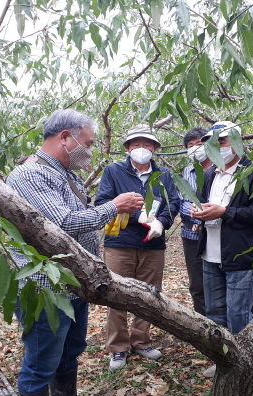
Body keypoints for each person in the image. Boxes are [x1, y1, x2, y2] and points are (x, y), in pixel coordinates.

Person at [6, 109, 144, 396]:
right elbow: (62, 223)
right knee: (41, 365)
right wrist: (113, 207)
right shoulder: (31, 175)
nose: (90, 151)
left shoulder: (66, 174)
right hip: (46, 289)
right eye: (89, 143)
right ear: (66, 137)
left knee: (69, 355)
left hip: (72, 285)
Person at [95, 125, 180, 371]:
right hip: (120, 243)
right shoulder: (113, 171)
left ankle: (141, 341)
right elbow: (103, 201)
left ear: (154, 148)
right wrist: (137, 217)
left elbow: (173, 201)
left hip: (153, 244)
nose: (141, 149)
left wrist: (161, 223)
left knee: (150, 294)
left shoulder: (164, 174)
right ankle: (118, 348)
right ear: (128, 148)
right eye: (135, 145)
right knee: (117, 295)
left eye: (146, 145)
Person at [191, 121, 253, 378]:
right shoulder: (209, 174)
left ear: (237, 141)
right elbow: (206, 205)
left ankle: (244, 364)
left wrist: (225, 212)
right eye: (213, 143)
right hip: (210, 253)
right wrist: (199, 213)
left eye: (222, 141)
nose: (217, 147)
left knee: (238, 312)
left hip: (241, 253)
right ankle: (224, 360)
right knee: (214, 312)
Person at [179, 127, 212, 315]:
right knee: (197, 284)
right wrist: (196, 214)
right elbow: (183, 201)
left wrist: (206, 215)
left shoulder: (221, 168)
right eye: (190, 145)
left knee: (226, 279)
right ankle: (203, 325)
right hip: (192, 233)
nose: (195, 148)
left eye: (199, 144)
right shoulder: (187, 171)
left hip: (219, 233)